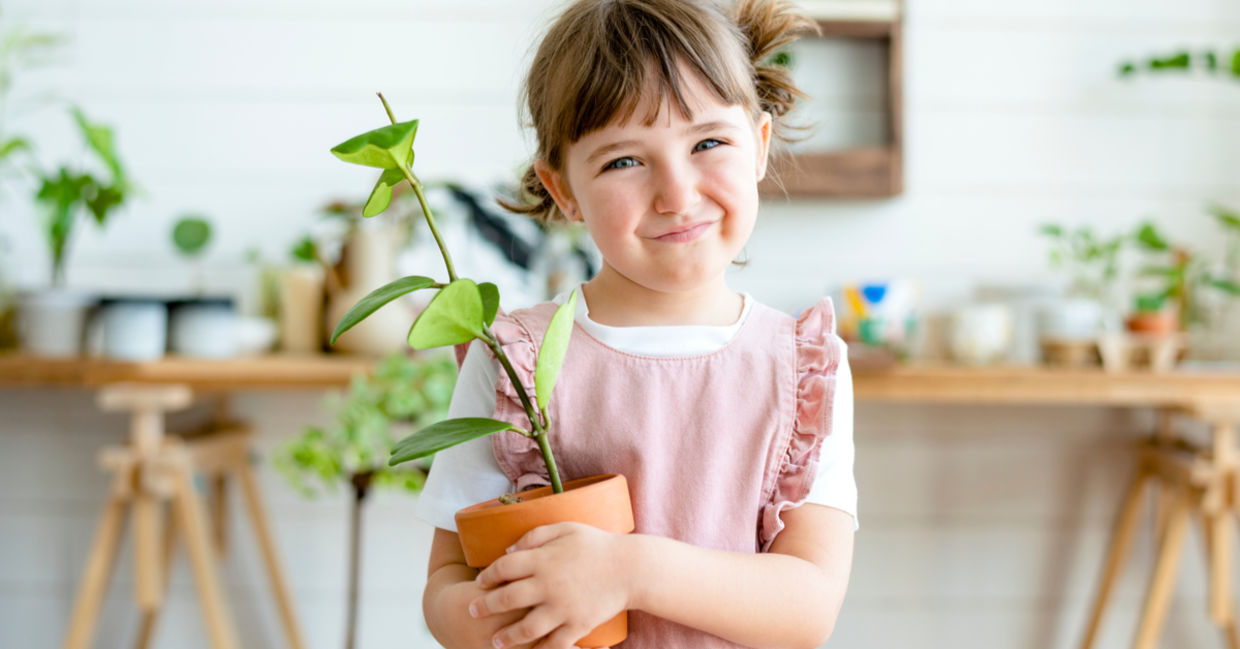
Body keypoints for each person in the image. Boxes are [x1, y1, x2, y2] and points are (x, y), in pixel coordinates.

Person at [415, 1, 856, 647]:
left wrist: (630, 570)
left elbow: (808, 607)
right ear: (562, 188)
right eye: (624, 160)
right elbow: (448, 581)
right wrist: (504, 623)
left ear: (759, 146)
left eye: (708, 142)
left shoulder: (803, 368)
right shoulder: (509, 360)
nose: (676, 193)